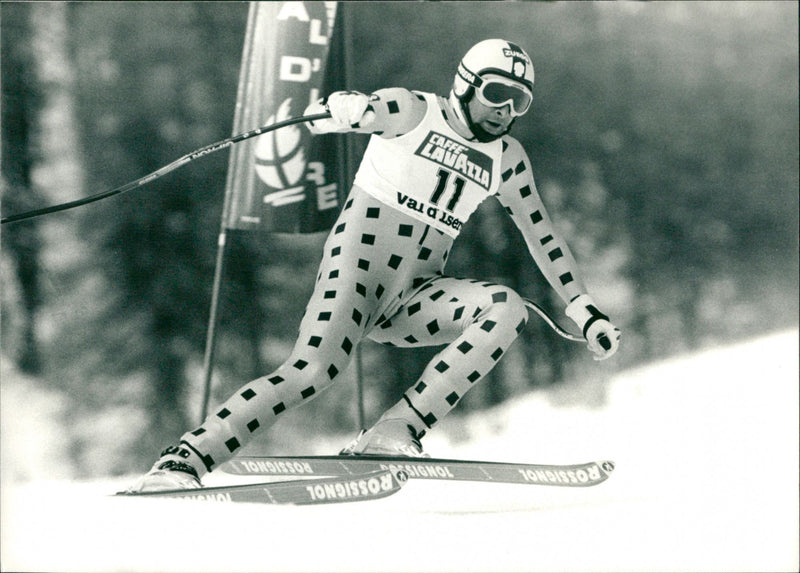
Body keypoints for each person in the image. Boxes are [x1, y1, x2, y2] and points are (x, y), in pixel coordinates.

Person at [127, 39, 621, 492]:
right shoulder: (414, 111)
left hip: (415, 295)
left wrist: (584, 309)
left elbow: (542, 235)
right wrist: (338, 110)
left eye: (519, 101)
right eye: (496, 92)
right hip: (357, 274)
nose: (505, 110)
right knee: (312, 371)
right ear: (466, 83)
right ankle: (187, 457)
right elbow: (354, 112)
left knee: (506, 308)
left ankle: (393, 431)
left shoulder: (506, 158)